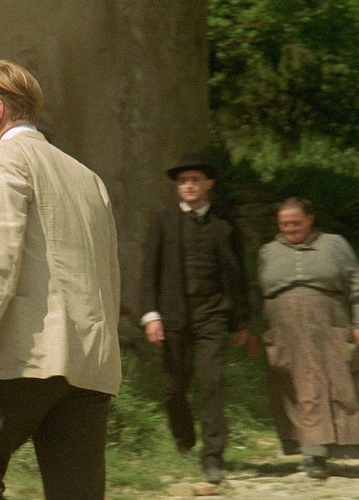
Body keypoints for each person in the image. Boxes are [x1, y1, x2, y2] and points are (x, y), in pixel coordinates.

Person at [0, 60, 121, 500]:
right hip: (91, 362)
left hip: (31, 354)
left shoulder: (5, 158)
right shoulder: (87, 178)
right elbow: (109, 273)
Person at [257, 197, 359, 479]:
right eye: (284, 224)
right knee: (299, 388)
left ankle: (327, 450)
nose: (290, 229)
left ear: (310, 219)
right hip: (284, 331)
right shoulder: (268, 251)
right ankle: (313, 450)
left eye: (296, 223)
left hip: (329, 326)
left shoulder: (334, 244)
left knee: (337, 386)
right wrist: (251, 328)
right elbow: (254, 292)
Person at [139, 155, 255, 484]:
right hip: (173, 314)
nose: (188, 186)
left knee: (212, 383)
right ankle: (184, 441)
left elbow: (237, 274)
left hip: (212, 315)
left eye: (194, 179)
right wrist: (151, 315)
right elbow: (149, 272)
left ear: (208, 183)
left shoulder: (224, 224)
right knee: (174, 388)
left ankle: (213, 455)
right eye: (182, 181)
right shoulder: (163, 222)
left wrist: (242, 321)